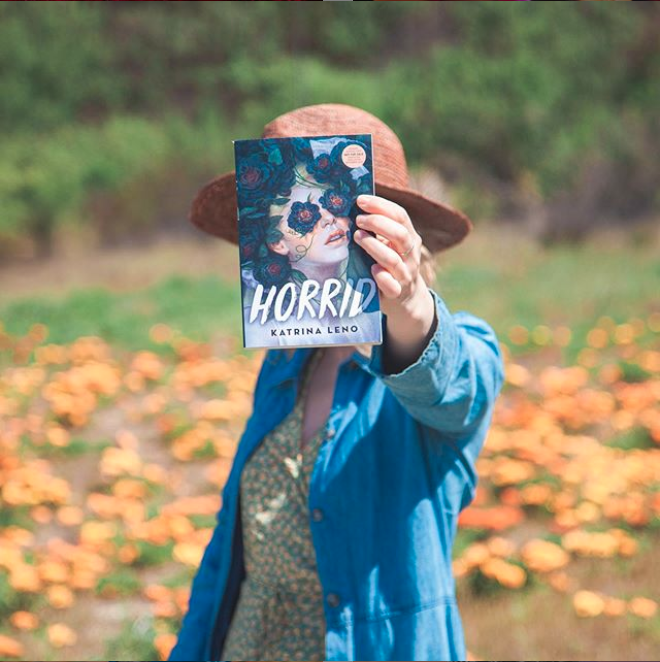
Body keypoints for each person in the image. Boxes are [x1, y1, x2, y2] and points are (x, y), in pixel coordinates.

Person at [168, 103, 505, 662]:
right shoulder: (284, 367)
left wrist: (410, 305)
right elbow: (231, 551)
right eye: (300, 213)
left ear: (397, 227)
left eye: (345, 209)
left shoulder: (459, 343)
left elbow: (454, 392)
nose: (329, 224)